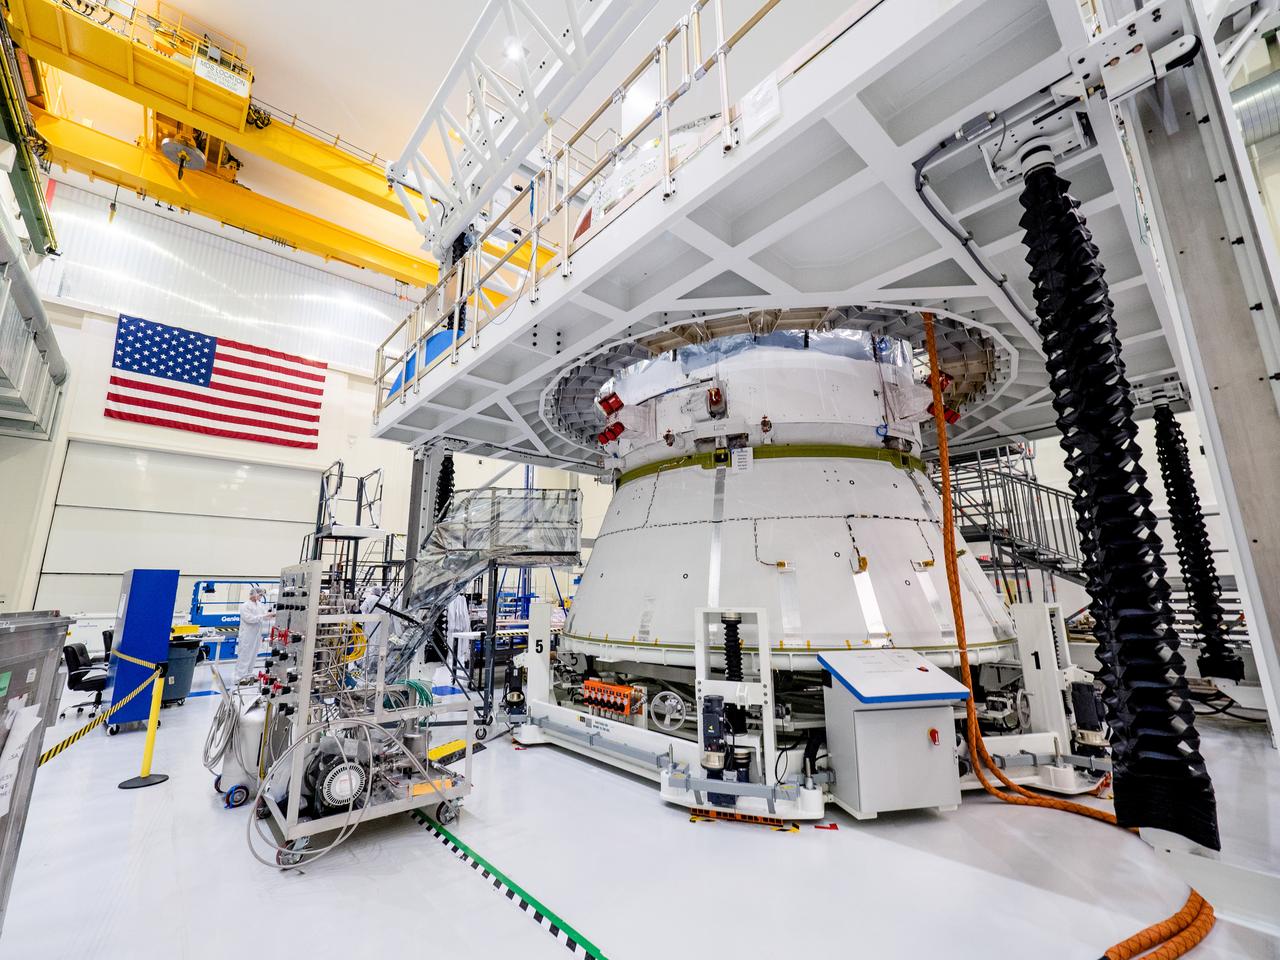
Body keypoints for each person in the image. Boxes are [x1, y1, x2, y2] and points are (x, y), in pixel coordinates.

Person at [234, 587, 274, 683]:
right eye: (260, 595)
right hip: (247, 635)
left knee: (253, 655)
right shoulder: (245, 606)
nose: (261, 597)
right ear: (254, 594)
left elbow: (264, 616)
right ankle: (239, 678)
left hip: (256, 635)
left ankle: (249, 675)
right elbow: (249, 619)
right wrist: (263, 616)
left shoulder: (260, 605)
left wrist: (271, 615)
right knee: (244, 656)